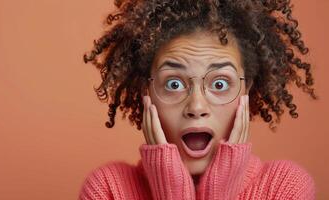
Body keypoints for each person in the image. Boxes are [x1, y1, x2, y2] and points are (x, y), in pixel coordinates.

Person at [79, 0, 317, 199]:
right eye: (174, 84)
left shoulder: (285, 189)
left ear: (246, 91)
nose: (196, 107)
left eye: (220, 84)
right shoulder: (109, 190)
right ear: (146, 92)